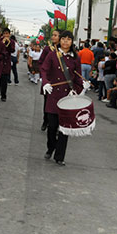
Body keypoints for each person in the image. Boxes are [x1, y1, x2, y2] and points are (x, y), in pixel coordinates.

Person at [41, 30, 89, 166]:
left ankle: (60, 156)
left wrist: (81, 88)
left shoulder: (75, 58)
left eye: (69, 39)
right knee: (52, 126)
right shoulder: (52, 55)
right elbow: (44, 70)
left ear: (72, 41)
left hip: (68, 96)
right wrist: (45, 83)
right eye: (63, 39)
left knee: (65, 127)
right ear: (60, 40)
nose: (66, 41)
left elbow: (78, 77)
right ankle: (51, 147)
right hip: (53, 94)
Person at [39, 30, 60, 131]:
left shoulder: (64, 50)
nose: (53, 37)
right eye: (53, 35)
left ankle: (57, 125)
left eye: (55, 35)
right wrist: (43, 77)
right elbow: (41, 62)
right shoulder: (48, 49)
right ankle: (45, 121)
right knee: (47, 102)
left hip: (61, 82)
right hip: (49, 81)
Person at [0, 28, 16, 101]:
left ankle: (3, 95)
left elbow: (12, 50)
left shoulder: (12, 41)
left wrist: (8, 44)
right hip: (0, 62)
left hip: (7, 62)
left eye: (7, 34)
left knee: (4, 81)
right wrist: (2, 42)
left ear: (9, 34)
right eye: (4, 33)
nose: (6, 35)